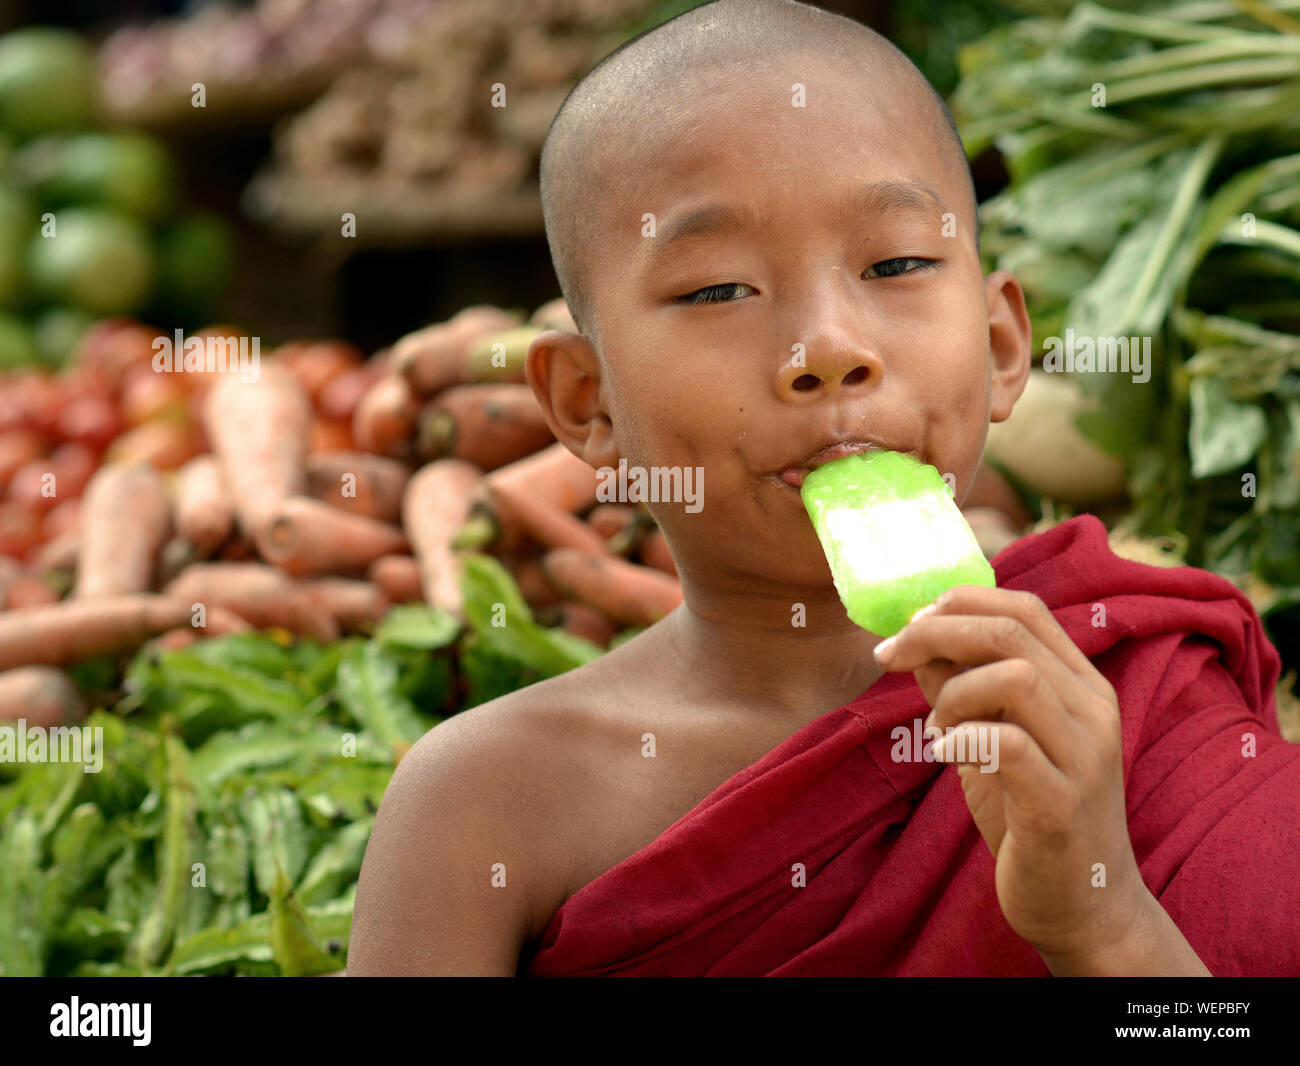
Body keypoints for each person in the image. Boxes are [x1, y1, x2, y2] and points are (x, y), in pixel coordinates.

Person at [347, 0, 1299, 976]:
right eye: (717, 289)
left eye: (895, 263)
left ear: (1002, 344)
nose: (828, 349)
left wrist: (1100, 918)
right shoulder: (486, 800)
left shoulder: (1131, 687)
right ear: (588, 402)